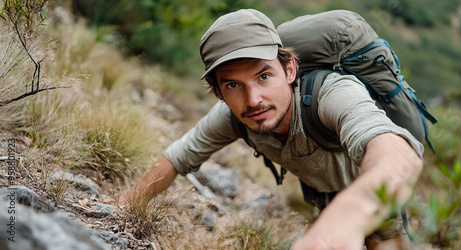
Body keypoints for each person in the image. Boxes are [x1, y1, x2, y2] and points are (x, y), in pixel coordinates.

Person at [119, 9, 423, 249]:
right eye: (234, 85)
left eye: (264, 76)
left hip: (373, 197)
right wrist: (126, 206)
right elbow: (177, 157)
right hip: (324, 198)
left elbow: (395, 153)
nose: (253, 100)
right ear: (219, 93)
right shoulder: (231, 116)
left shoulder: (332, 94)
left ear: (289, 69)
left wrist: (349, 216)